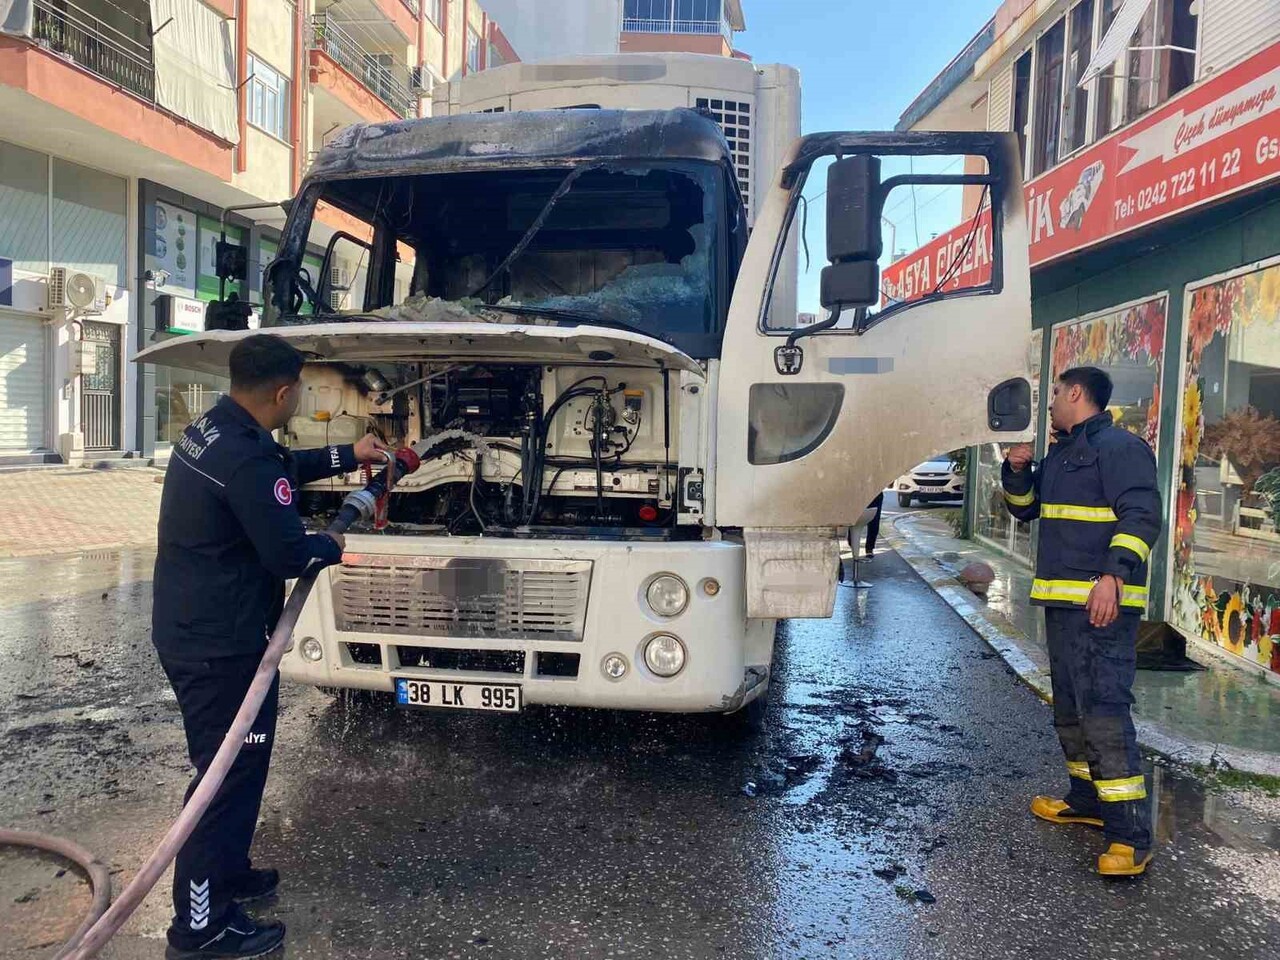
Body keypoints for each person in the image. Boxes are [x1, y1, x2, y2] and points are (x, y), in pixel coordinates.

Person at [152, 334, 389, 958]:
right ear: (283, 393)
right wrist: (330, 545)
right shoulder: (246, 458)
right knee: (222, 778)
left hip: (202, 627)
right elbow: (288, 551)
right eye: (300, 392)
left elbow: (276, 472)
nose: (300, 400)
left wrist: (348, 453)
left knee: (242, 763)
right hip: (219, 644)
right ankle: (199, 927)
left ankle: (226, 876)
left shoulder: (216, 429)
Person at [1002, 366, 1161, 878]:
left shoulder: (1120, 448)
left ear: (1076, 393)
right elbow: (1025, 511)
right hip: (1064, 605)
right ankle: (1087, 800)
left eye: (1054, 393)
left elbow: (1141, 516)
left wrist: (1114, 576)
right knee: (1069, 711)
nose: (1049, 403)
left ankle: (1130, 838)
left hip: (1102, 607)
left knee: (1104, 714)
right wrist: (1019, 471)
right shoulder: (1065, 453)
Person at [863, 491, 885, 559]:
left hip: (875, 493)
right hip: (858, 491)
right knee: (854, 520)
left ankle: (869, 548)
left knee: (874, 521)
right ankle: (852, 542)